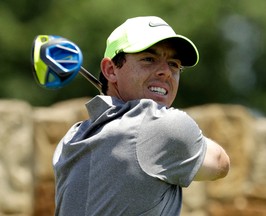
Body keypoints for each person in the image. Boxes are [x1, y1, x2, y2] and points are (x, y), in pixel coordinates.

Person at [53, 16, 230, 216]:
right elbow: (220, 163)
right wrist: (169, 122)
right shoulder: (163, 126)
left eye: (173, 64)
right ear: (111, 70)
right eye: (149, 59)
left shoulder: (72, 138)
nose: (165, 72)